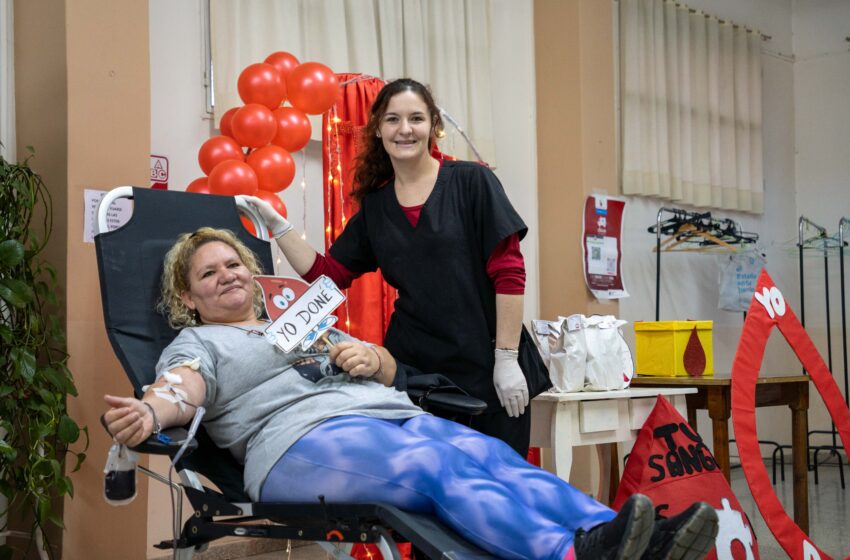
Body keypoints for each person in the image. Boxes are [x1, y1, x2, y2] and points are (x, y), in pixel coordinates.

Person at [103, 228, 719, 560]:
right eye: (208, 273)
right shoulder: (201, 345)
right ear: (188, 298)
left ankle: (623, 537)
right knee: (431, 467)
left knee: (493, 457)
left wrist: (372, 356)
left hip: (383, 413)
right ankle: (564, 554)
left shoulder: (299, 320)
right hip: (301, 441)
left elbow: (389, 367)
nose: (227, 276)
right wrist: (149, 410)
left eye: (233, 264)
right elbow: (179, 390)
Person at [239, 78, 537, 455]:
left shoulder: (472, 182)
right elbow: (330, 276)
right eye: (393, 120)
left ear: (433, 126)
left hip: (488, 368)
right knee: (431, 491)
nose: (405, 129)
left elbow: (509, 271)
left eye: (416, 118)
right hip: (415, 373)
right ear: (378, 129)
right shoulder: (378, 207)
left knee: (501, 487)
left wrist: (507, 358)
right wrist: (279, 226)